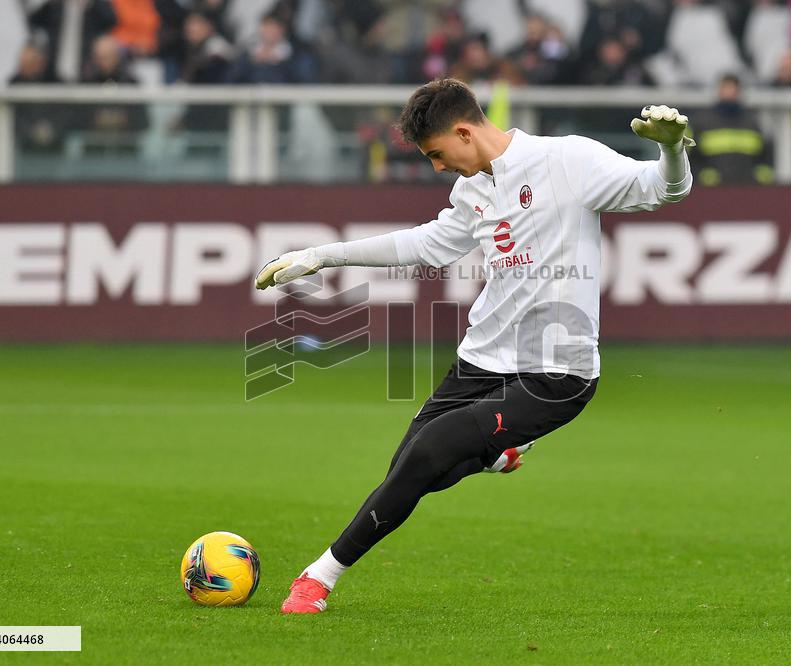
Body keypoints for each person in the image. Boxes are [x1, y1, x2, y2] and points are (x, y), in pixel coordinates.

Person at [255, 78, 693, 614]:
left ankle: (317, 579)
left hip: (557, 375)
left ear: (464, 131)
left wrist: (672, 148)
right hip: (481, 358)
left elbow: (663, 189)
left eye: (437, 154)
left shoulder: (567, 161)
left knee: (434, 446)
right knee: (409, 472)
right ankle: (496, 455)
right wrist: (323, 256)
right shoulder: (472, 190)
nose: (437, 167)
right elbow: (426, 243)